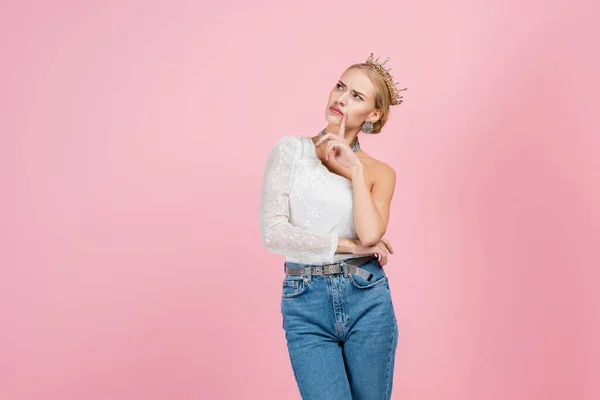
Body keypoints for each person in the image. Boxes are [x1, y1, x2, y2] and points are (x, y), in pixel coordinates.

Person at [259, 53, 406, 400]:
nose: (341, 97)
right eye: (341, 86)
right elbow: (273, 233)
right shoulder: (291, 151)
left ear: (374, 114)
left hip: (366, 298)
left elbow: (371, 234)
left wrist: (353, 169)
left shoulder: (379, 172)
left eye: (357, 95)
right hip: (305, 300)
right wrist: (351, 246)